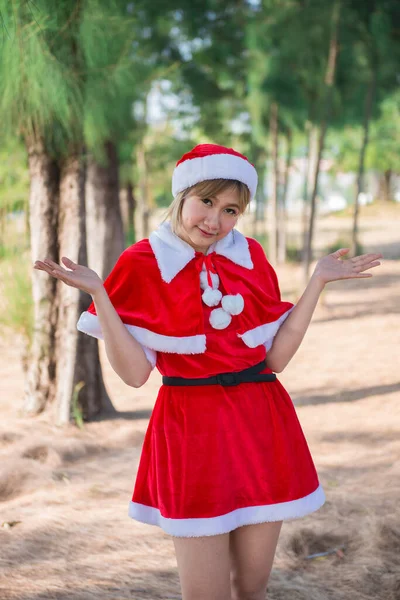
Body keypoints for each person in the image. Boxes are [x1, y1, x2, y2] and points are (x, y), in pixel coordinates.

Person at [34, 143, 382, 600]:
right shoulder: (143, 261)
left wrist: (316, 282)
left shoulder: (251, 256)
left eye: (231, 209)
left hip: (262, 426)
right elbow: (136, 374)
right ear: (183, 195)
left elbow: (274, 360)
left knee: (251, 590)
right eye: (207, 201)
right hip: (190, 431)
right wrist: (100, 294)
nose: (214, 220)